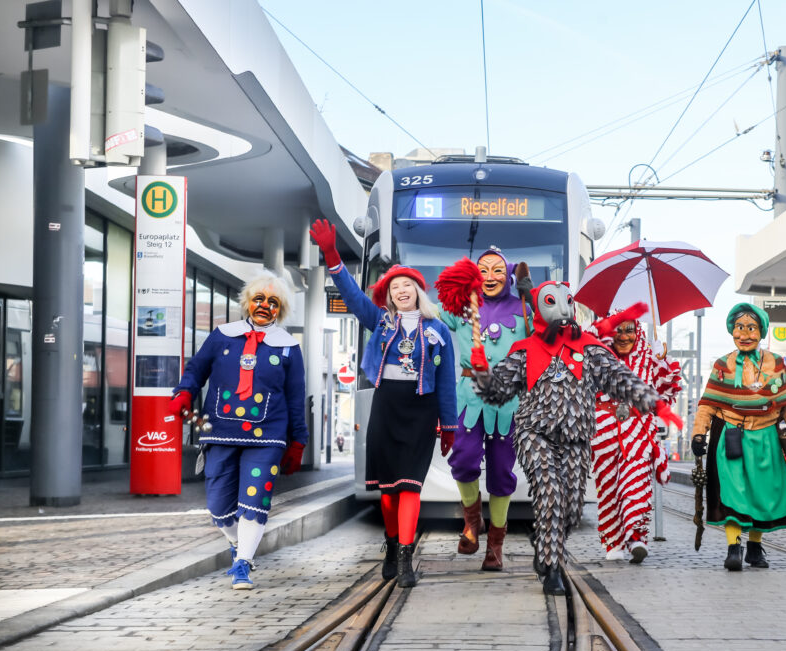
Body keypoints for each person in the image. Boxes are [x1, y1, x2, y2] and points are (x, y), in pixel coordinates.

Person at [472, 282, 681, 594]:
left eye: (567, 302)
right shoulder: (525, 351)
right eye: (553, 302)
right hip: (535, 434)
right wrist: (482, 371)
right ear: (540, 307)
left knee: (569, 509)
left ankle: (545, 540)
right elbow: (496, 392)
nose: (563, 309)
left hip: (577, 438)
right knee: (550, 494)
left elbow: (622, 380)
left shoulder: (592, 349)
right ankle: (553, 568)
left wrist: (657, 404)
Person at [310, 219, 456, 588]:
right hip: (386, 406)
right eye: (395, 286)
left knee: (410, 486)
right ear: (388, 295)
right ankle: (391, 545)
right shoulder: (380, 321)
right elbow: (354, 296)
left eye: (408, 284)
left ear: (419, 291)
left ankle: (405, 558)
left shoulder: (438, 329)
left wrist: (448, 424)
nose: (402, 290)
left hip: (421, 410)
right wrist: (331, 255)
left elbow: (447, 381)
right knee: (388, 491)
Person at [168, 270, 307, 590]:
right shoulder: (222, 335)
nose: (264, 306)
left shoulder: (288, 347)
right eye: (259, 299)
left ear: (280, 309)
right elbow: (196, 370)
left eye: (273, 302)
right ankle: (236, 543)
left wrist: (298, 441)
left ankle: (243, 562)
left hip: (268, 436)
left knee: (255, 500)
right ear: (248, 302)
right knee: (218, 506)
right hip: (220, 431)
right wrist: (185, 391)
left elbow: (296, 398)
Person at [690, 303, 786, 571]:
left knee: (762, 495)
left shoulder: (775, 363)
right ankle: (734, 547)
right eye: (739, 327)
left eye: (751, 328)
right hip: (730, 436)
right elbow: (708, 403)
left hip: (766, 438)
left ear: (761, 332)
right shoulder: (722, 365)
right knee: (732, 494)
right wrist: (699, 434)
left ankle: (754, 547)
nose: (744, 334)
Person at [437, 247, 532, 571]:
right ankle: (472, 520)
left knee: (502, 472)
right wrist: (400, 290)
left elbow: (547, 336)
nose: (490, 277)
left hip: (509, 401)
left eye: (497, 271)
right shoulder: (463, 306)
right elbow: (428, 311)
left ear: (507, 275)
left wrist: (531, 298)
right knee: (462, 459)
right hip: (469, 397)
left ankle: (496, 544)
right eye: (483, 270)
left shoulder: (523, 308)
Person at [588, 316, 681, 563]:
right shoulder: (596, 356)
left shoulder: (648, 358)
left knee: (637, 483)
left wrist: (662, 360)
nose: (623, 336)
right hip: (604, 430)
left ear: (637, 331)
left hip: (638, 429)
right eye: (617, 330)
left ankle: (636, 538)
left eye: (629, 330)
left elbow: (666, 390)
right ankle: (614, 541)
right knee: (608, 488)